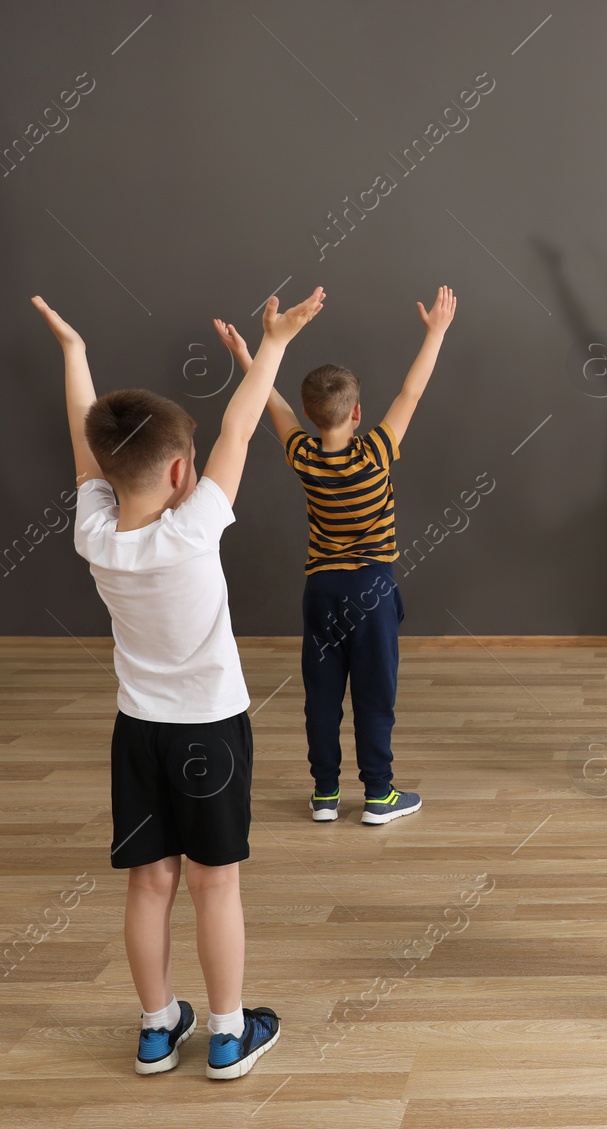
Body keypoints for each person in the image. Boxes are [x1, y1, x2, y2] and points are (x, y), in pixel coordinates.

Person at [39, 286, 325, 1078]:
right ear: (179, 470)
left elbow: (84, 443)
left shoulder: (94, 533)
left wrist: (74, 353)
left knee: (150, 880)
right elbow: (240, 426)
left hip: (139, 731)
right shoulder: (196, 528)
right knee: (215, 883)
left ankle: (158, 1029)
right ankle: (230, 1034)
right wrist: (273, 341)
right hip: (212, 729)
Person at [213, 287, 456, 825]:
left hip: (321, 592)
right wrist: (435, 332)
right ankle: (379, 795)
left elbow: (269, 404)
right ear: (358, 412)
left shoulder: (302, 455)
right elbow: (411, 393)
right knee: (375, 695)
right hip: (372, 591)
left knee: (321, 696)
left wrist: (248, 358)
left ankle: (324, 794)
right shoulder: (376, 453)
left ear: (309, 414)